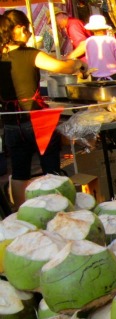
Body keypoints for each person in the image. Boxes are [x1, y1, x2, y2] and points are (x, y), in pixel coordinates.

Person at [0, 9, 87, 207]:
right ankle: (57, 209)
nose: (29, 34)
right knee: (51, 170)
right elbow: (61, 67)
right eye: (28, 30)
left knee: (20, 172)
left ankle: (20, 214)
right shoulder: (31, 54)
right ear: (20, 29)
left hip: (12, 124)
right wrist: (77, 64)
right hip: (37, 121)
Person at [83, 15, 116, 80]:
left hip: (95, 78)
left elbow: (89, 60)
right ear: (105, 29)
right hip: (113, 76)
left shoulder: (88, 41)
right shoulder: (111, 40)